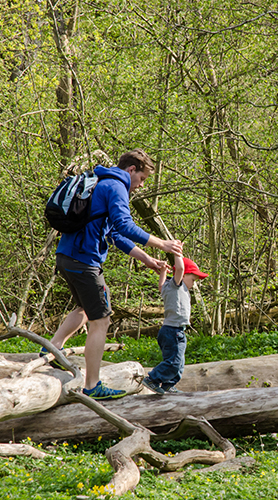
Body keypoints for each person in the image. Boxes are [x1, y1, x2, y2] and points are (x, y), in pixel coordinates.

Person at [45, 149, 183, 400]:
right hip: (84, 260)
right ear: (131, 170)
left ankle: (51, 352)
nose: (141, 186)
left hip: (67, 256)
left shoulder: (102, 182)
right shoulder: (116, 186)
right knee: (101, 321)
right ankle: (92, 386)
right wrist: (162, 244)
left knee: (84, 310)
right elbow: (125, 225)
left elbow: (116, 235)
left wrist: (147, 259)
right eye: (142, 179)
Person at [141, 252, 208, 395]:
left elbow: (160, 285)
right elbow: (180, 269)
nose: (194, 283)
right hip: (173, 331)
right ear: (183, 275)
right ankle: (152, 379)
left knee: (179, 363)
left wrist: (163, 271)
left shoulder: (167, 287)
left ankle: (167, 385)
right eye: (193, 279)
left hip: (173, 331)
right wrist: (177, 253)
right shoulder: (177, 285)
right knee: (174, 362)